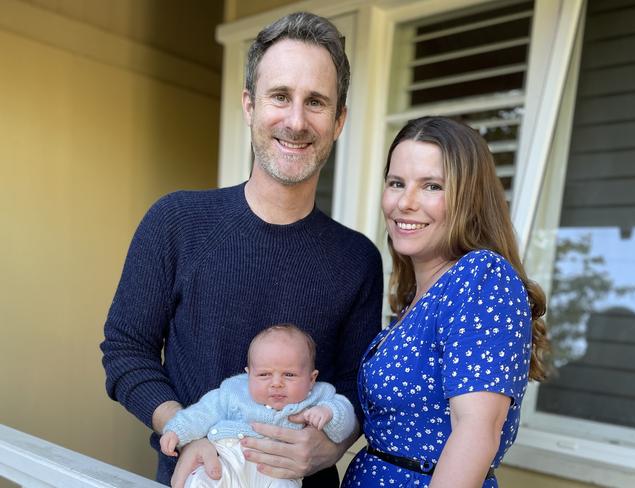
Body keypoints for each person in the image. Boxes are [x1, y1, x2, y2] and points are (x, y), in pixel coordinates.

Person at [100, 11, 383, 488]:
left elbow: (357, 389)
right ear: (250, 106)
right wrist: (184, 429)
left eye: (315, 102)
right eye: (280, 96)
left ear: (339, 121)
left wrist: (330, 445)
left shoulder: (358, 259)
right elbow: (127, 350)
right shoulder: (176, 221)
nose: (296, 121)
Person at [341, 116, 548, 488]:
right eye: (396, 183)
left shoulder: (481, 277)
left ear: (469, 199)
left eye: (432, 186)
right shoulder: (420, 296)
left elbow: (476, 431)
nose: (405, 202)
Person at [160, 324, 356, 488]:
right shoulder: (234, 391)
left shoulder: (319, 397)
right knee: (200, 480)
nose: (276, 383)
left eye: (289, 375)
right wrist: (177, 431)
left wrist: (329, 413)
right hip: (227, 459)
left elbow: (345, 422)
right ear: (248, 374)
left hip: (278, 471)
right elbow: (203, 412)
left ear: (311, 378)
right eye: (264, 375)